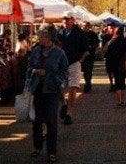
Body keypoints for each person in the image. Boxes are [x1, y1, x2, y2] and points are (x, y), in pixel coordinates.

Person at [27, 26, 68, 163]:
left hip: (52, 91)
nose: (39, 39)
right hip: (38, 89)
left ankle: (52, 151)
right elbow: (29, 67)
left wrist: (55, 79)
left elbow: (64, 71)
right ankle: (37, 147)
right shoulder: (36, 51)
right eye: (39, 36)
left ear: (50, 38)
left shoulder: (59, 53)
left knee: (51, 121)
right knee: (37, 120)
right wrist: (34, 71)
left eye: (42, 36)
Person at [57, 11, 89, 125]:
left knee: (72, 87)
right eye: (63, 19)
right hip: (60, 64)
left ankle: (69, 114)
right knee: (57, 87)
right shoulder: (59, 32)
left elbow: (86, 50)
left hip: (74, 63)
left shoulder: (79, 33)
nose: (65, 21)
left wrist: (80, 60)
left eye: (67, 19)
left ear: (72, 20)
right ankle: (64, 104)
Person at [103, 25, 126, 106]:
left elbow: (105, 51)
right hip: (123, 64)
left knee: (117, 82)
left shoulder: (112, 41)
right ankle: (122, 100)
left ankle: (119, 101)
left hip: (115, 64)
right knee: (122, 82)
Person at [81, 22, 100, 93]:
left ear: (88, 26)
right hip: (82, 56)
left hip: (90, 56)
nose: (84, 27)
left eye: (85, 26)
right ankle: (87, 83)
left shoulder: (93, 34)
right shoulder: (81, 34)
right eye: (83, 26)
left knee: (88, 71)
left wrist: (91, 49)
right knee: (84, 71)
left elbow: (96, 44)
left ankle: (87, 85)